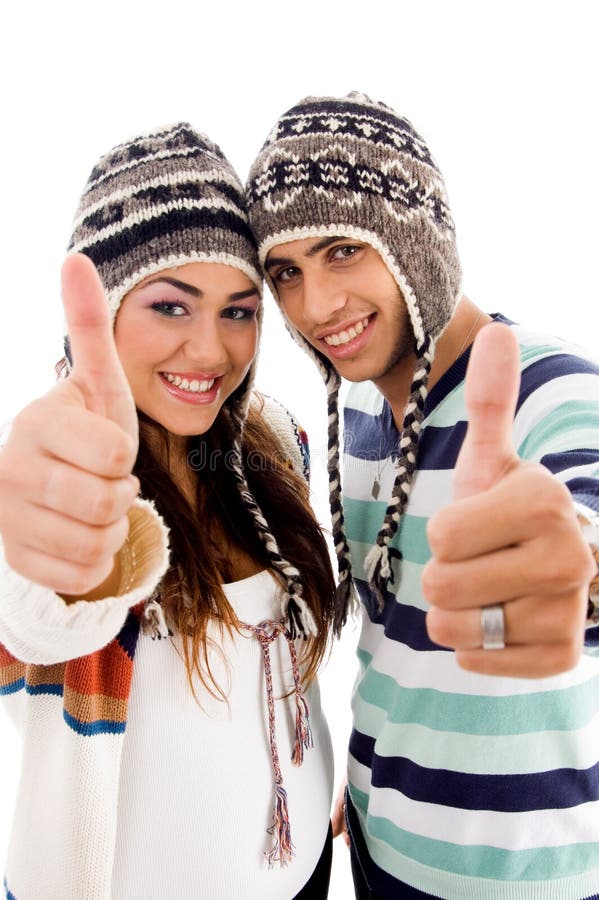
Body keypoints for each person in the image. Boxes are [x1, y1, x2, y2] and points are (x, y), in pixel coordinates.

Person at [246, 92, 599, 899]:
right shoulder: (363, 413)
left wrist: (576, 575)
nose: (315, 307)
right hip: (376, 854)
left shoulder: (548, 392)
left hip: (525, 881)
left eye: (342, 251)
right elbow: (400, 647)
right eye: (286, 273)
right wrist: (377, 781)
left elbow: (579, 529)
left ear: (417, 241)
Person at [0, 123, 339, 900]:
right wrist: (59, 557)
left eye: (238, 310)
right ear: (105, 307)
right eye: (170, 306)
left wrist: (322, 777)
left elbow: (285, 667)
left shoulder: (275, 442)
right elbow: (36, 614)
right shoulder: (53, 467)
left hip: (310, 872)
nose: (212, 352)